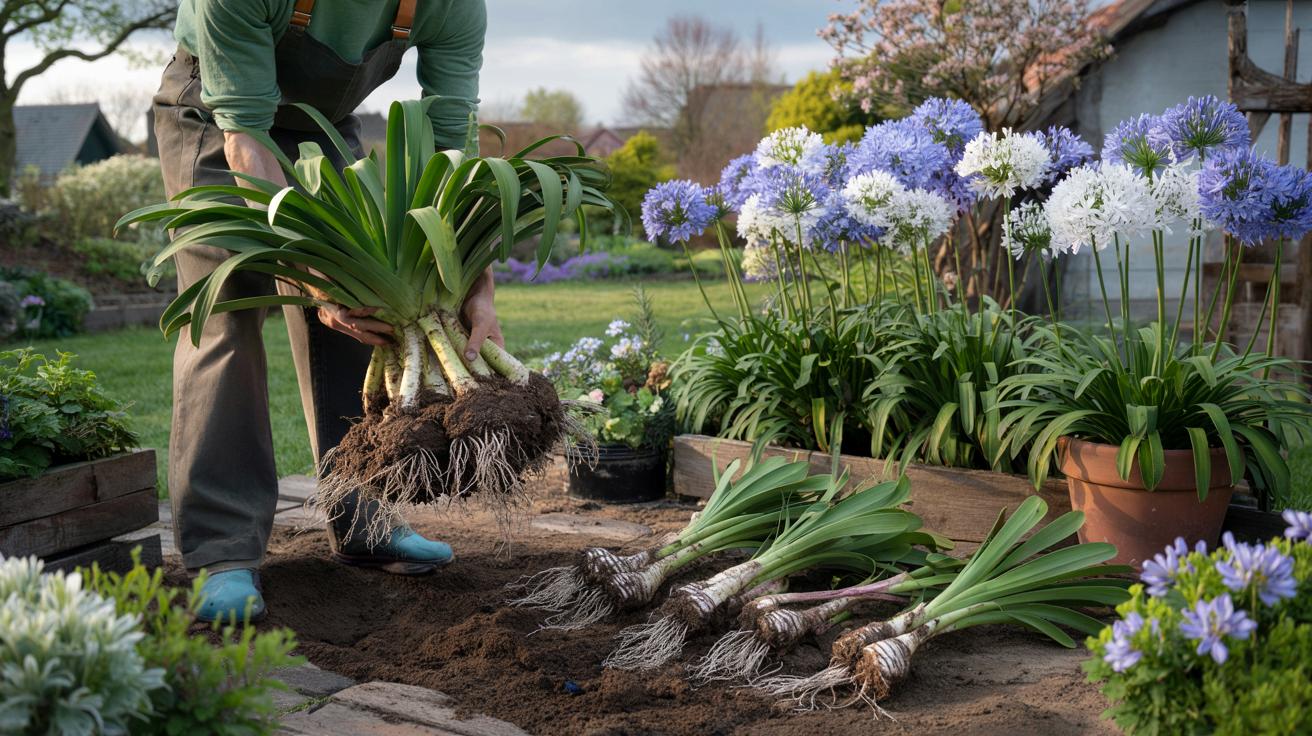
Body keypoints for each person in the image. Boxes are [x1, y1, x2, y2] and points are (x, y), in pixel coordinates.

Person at [153, 0, 496, 622]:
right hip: (218, 118)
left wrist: (477, 284)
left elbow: (454, 145)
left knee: (364, 310)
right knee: (227, 311)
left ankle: (364, 514)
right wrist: (312, 276)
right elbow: (245, 138)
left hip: (322, 126)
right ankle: (224, 551)